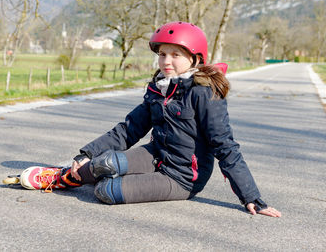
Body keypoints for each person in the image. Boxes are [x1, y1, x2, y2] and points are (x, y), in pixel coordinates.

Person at [19, 22, 281, 217]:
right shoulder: (159, 88)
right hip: (157, 154)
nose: (166, 61)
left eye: (175, 55)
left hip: (181, 178)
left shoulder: (205, 93)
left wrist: (253, 198)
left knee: (105, 191)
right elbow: (129, 129)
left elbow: (226, 147)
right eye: (162, 54)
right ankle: (64, 176)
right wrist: (85, 154)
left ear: (195, 58)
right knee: (104, 161)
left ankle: (93, 178)